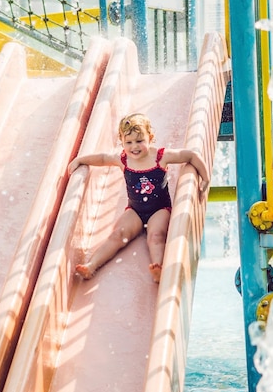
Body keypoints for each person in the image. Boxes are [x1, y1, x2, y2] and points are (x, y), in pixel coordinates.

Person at [68, 113, 211, 283]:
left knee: (156, 235)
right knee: (117, 235)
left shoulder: (160, 156)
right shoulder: (123, 159)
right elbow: (103, 158)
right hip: (135, 211)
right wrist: (80, 160)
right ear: (122, 142)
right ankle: (92, 265)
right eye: (128, 142)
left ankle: (158, 267)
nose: (134, 147)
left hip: (160, 210)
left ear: (150, 138)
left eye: (139, 141)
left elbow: (190, 156)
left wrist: (206, 178)